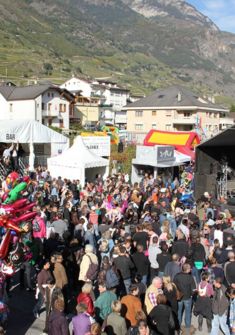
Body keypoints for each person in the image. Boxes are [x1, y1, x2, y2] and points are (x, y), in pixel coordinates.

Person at [174, 263, 196, 335]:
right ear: (187, 270)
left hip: (179, 297)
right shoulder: (190, 277)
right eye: (190, 268)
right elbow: (193, 289)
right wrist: (192, 295)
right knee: (188, 312)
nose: (191, 269)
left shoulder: (177, 276)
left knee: (179, 312)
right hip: (187, 298)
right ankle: (187, 327)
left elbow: (174, 286)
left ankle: (178, 326)